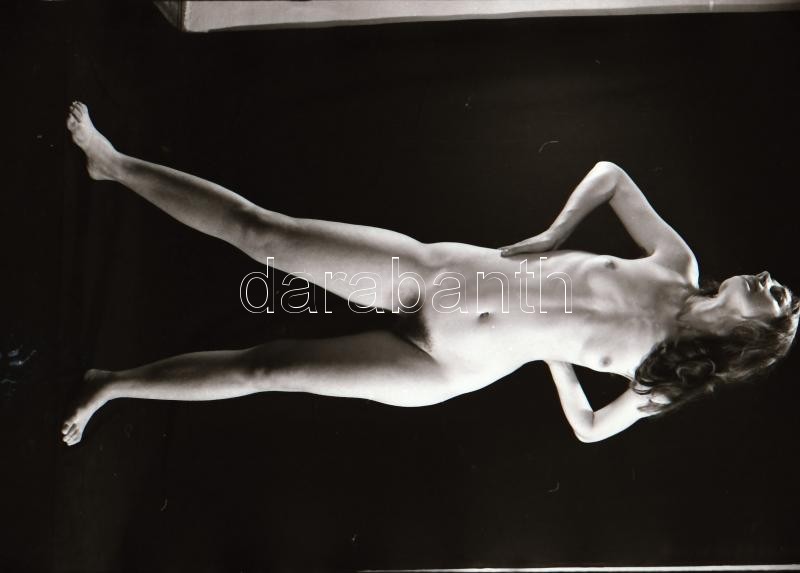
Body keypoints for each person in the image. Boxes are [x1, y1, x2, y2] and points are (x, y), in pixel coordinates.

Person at [61, 101, 799, 446]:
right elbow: (610, 176)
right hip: (432, 278)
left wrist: (553, 352)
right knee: (262, 233)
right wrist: (554, 233)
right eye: (776, 281)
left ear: (759, 338)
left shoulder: (669, 375)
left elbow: (589, 428)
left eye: (779, 296)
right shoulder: (677, 263)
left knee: (267, 368)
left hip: (448, 366)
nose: (768, 278)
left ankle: (114, 384)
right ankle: (114, 164)